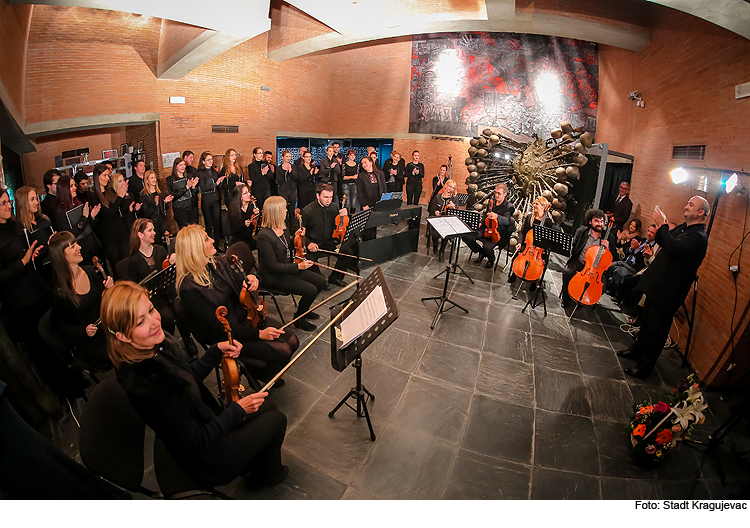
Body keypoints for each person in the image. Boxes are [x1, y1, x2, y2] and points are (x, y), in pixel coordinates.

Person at [102, 281, 288, 488]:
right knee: (277, 419)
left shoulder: (154, 349)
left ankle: (253, 461)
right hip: (209, 459)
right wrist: (237, 409)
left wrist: (216, 350)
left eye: (151, 309)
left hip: (206, 420)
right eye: (139, 323)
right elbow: (198, 442)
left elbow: (185, 378)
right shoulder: (148, 385)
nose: (155, 321)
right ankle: (267, 476)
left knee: (269, 407)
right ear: (122, 336)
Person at [175, 225, 299, 381]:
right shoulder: (189, 289)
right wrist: (259, 334)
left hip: (247, 317)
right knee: (284, 350)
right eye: (207, 239)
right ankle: (259, 376)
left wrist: (254, 279)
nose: (213, 240)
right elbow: (217, 327)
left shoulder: (217, 262)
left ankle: (262, 373)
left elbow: (243, 280)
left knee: (294, 341)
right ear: (194, 249)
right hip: (226, 334)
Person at [0, 188, 87, 398]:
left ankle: (73, 375)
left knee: (58, 333)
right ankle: (62, 389)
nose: (8, 205)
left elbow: (29, 255)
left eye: (8, 201)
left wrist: (37, 254)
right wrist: (22, 262)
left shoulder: (16, 226)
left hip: (39, 288)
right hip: (21, 302)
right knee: (42, 348)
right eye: (2, 203)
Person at [618, 197, 709, 378]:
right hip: (658, 284)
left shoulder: (698, 237)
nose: (686, 206)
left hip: (669, 291)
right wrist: (662, 227)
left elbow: (674, 247)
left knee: (656, 331)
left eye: (691, 205)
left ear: (701, 213)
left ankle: (644, 368)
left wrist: (664, 227)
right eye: (687, 203)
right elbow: (663, 240)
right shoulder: (685, 228)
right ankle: (636, 351)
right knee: (646, 323)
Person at [255, 197, 327, 332]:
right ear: (275, 212)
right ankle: (299, 318)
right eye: (284, 209)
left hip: (287, 268)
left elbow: (287, 248)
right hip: (273, 276)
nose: (287, 211)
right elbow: (272, 266)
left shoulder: (283, 227)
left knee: (321, 282)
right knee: (310, 290)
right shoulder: (264, 236)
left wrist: (297, 237)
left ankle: (304, 310)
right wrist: (298, 267)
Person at [49, 231, 113, 371]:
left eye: (76, 243)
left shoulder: (90, 271)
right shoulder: (61, 292)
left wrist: (109, 289)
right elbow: (57, 324)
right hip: (93, 340)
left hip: (108, 325)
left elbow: (103, 299)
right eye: (72, 246)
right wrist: (83, 330)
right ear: (62, 256)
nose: (79, 247)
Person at [124, 218, 176, 334]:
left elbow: (168, 271)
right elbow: (132, 286)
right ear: (140, 235)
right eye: (150, 230)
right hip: (153, 298)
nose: (154, 233)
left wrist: (173, 261)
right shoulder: (134, 260)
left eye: (153, 229)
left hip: (168, 292)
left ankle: (187, 338)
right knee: (167, 317)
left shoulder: (160, 250)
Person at [560, 208, 617, 308]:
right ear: (590, 222)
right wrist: (569, 247)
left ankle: (585, 300)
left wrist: (608, 249)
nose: (600, 224)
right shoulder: (581, 232)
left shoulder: (609, 237)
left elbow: (615, 257)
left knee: (602, 288)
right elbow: (572, 245)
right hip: (579, 262)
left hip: (596, 270)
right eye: (596, 221)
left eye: (602, 221)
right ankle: (566, 298)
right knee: (567, 272)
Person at [300, 183, 354, 288]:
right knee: (309, 260)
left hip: (330, 241)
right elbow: (297, 231)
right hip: (314, 242)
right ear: (317, 196)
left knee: (348, 253)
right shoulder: (307, 210)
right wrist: (308, 243)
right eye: (325, 197)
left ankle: (335, 277)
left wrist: (345, 215)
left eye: (330, 197)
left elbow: (340, 223)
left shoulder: (334, 207)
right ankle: (320, 281)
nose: (328, 200)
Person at [463, 183, 515, 268]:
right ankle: (480, 251)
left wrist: (497, 216)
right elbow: (485, 213)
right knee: (466, 237)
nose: (496, 195)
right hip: (486, 228)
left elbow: (507, 221)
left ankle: (491, 259)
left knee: (487, 247)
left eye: (499, 193)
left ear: (505, 194)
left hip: (497, 232)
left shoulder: (509, 207)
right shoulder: (492, 202)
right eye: (495, 193)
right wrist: (481, 222)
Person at [52, 175, 101, 265]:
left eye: (74, 185)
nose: (75, 188)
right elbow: (69, 235)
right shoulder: (59, 212)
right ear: (64, 189)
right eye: (71, 186)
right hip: (80, 251)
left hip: (92, 245)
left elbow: (90, 227)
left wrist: (92, 217)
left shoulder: (79, 203)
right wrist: (84, 218)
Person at [606, 223, 659, 305]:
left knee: (619, 271)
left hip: (634, 267)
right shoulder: (642, 240)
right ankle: (610, 288)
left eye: (652, 233)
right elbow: (626, 251)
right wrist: (631, 248)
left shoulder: (653, 247)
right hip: (626, 261)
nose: (649, 233)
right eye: (648, 231)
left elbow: (641, 262)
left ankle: (617, 295)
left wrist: (637, 250)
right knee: (609, 266)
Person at [507, 196, 554, 284]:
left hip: (539, 248)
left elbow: (548, 239)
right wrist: (520, 242)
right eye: (534, 204)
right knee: (517, 253)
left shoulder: (548, 222)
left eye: (537, 204)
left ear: (543, 206)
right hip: (527, 245)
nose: (534, 206)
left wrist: (544, 247)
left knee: (543, 261)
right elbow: (522, 232)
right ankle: (515, 274)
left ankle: (534, 280)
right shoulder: (529, 217)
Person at [91, 166, 130, 269]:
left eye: (108, 176)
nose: (107, 178)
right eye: (104, 175)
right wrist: (120, 197)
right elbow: (108, 214)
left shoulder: (111, 191)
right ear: (97, 177)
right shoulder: (94, 196)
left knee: (127, 262)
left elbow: (121, 209)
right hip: (109, 237)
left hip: (121, 232)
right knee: (117, 266)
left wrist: (124, 195)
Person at [196, 151, 224, 246]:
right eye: (208, 160)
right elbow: (203, 188)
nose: (211, 161)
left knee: (217, 222)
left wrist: (221, 182)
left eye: (211, 159)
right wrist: (216, 183)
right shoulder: (200, 172)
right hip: (207, 200)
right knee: (209, 224)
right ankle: (209, 245)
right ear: (203, 161)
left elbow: (219, 186)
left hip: (216, 199)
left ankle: (217, 245)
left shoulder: (214, 171)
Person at [427, 178, 458, 261]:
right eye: (450, 187)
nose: (451, 189)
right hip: (437, 220)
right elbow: (431, 208)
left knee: (446, 235)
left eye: (453, 188)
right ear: (446, 186)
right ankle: (435, 244)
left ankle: (442, 251)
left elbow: (456, 212)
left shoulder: (454, 199)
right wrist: (435, 211)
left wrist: (453, 207)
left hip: (448, 222)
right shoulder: (437, 197)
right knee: (435, 235)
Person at [140, 170, 172, 247]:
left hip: (162, 220)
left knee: (165, 241)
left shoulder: (159, 191)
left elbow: (164, 209)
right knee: (156, 243)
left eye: (155, 177)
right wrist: (155, 204)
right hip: (152, 222)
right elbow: (145, 212)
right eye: (151, 178)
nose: (154, 179)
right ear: (147, 180)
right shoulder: (143, 194)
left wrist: (165, 202)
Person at [167, 157, 199, 229]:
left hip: (191, 207)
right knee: (184, 230)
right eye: (180, 165)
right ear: (176, 166)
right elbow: (173, 194)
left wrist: (193, 187)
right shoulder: (170, 179)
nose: (183, 167)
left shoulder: (189, 176)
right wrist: (186, 187)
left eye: (184, 165)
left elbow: (194, 194)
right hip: (180, 209)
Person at [228, 183, 260, 250]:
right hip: (240, 238)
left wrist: (257, 215)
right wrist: (244, 225)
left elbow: (257, 225)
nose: (249, 194)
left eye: (248, 192)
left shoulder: (252, 206)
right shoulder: (233, 209)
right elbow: (233, 230)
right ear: (239, 196)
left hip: (251, 237)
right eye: (245, 193)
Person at [275, 150, 297, 226]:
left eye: (289, 156)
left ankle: (292, 228)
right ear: (282, 157)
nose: (288, 158)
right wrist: (285, 172)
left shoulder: (293, 167)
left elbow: (296, 178)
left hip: (292, 191)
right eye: (287, 156)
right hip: (283, 191)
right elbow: (278, 181)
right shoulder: (278, 168)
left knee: (291, 210)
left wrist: (290, 171)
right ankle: (284, 227)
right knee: (283, 211)